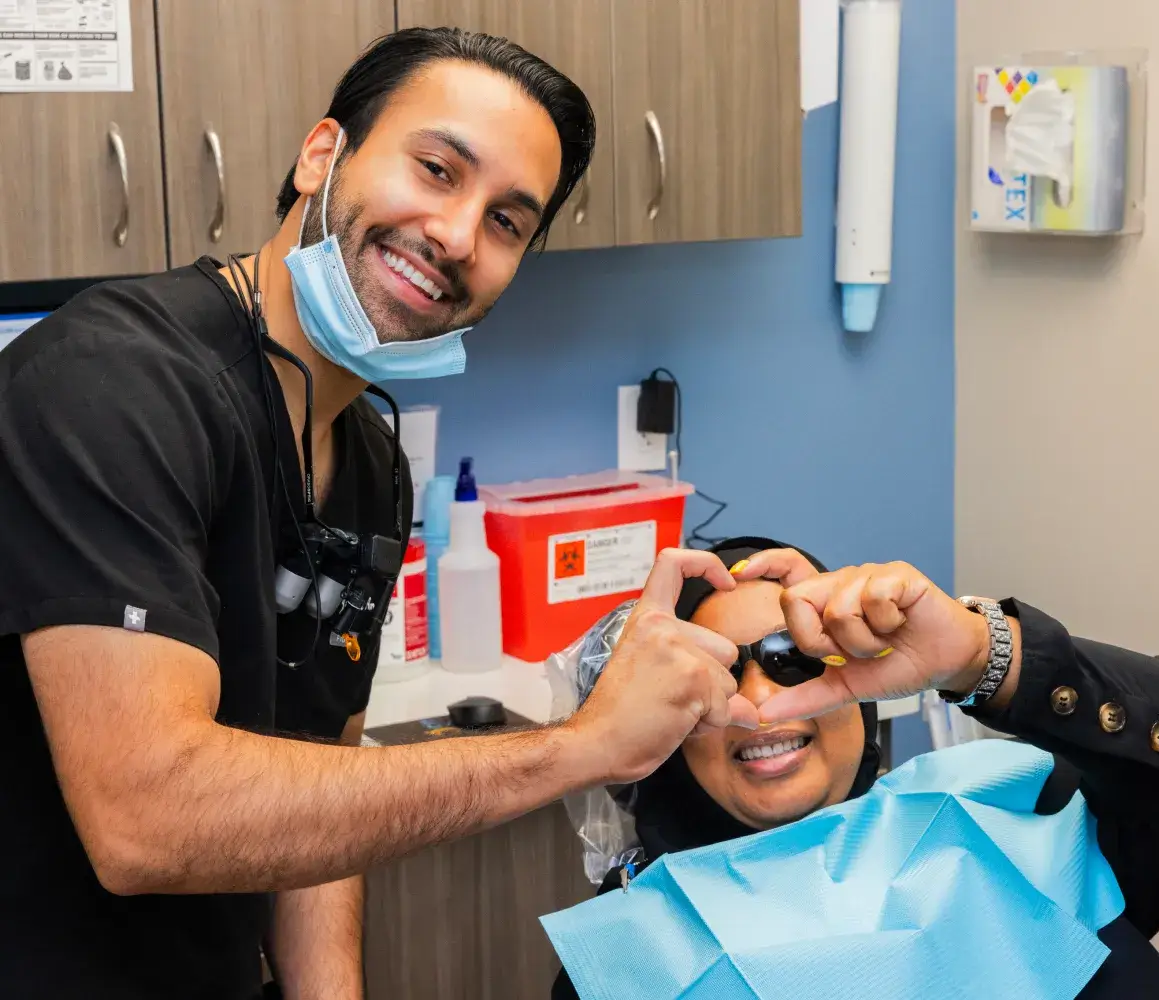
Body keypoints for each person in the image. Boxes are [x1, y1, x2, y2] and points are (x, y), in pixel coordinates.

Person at [0, 28, 755, 1000]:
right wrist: (578, 749)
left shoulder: (367, 464)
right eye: (436, 169)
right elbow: (146, 815)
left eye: (507, 223)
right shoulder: (113, 388)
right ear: (324, 154)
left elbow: (315, 783)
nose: (455, 235)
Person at [552, 538, 1159, 999]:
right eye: (715, 677)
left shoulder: (1023, 821)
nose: (758, 703)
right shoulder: (626, 962)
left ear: (860, 692)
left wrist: (980, 652)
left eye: (793, 657)